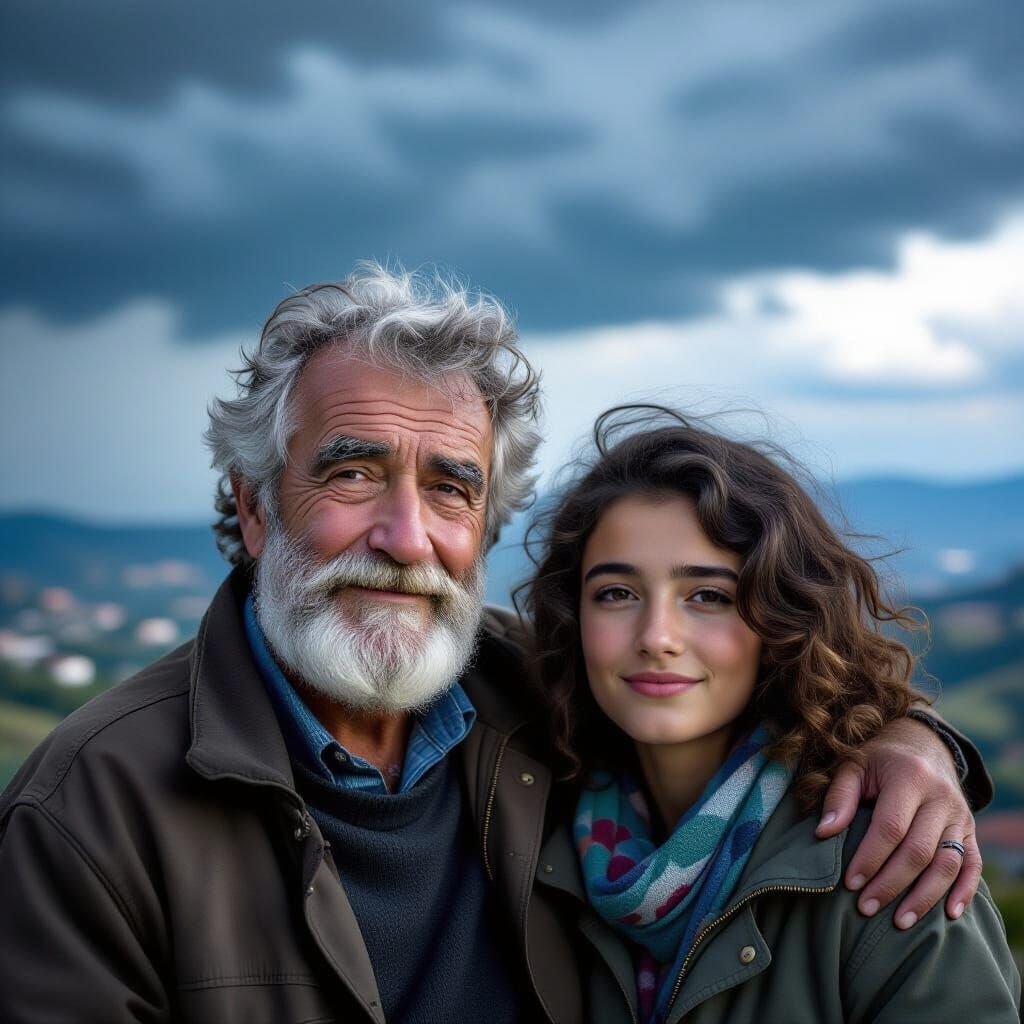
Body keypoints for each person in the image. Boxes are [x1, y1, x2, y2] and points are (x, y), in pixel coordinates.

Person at [0, 268, 993, 1023]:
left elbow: (748, 685)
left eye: (450, 488)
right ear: (255, 506)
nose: (406, 536)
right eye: (352, 474)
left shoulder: (541, 694)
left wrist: (908, 744)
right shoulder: (88, 812)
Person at [523, 406, 1020, 1023]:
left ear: (781, 620)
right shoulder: (532, 835)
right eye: (617, 593)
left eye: (709, 596)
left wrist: (918, 739)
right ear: (574, 618)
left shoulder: (888, 856)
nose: (657, 636)